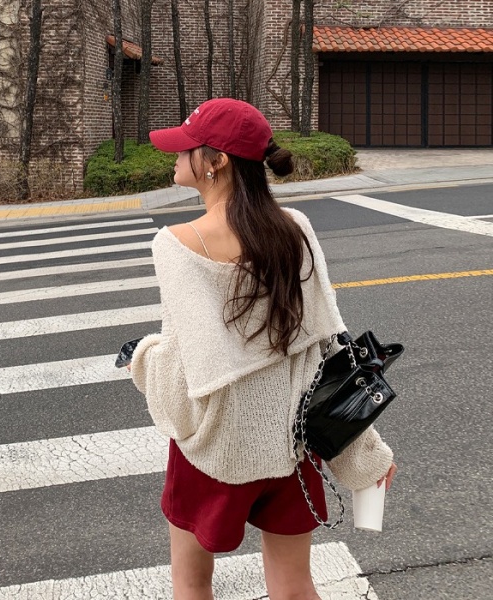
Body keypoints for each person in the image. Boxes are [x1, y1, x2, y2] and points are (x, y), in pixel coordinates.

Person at [127, 98, 397, 600]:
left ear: (216, 161)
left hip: (214, 451)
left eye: (186, 148)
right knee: (294, 587)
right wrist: (366, 451)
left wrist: (142, 359)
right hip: (291, 447)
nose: (176, 156)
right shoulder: (295, 228)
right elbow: (328, 347)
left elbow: (185, 377)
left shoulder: (177, 244)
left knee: (191, 584)